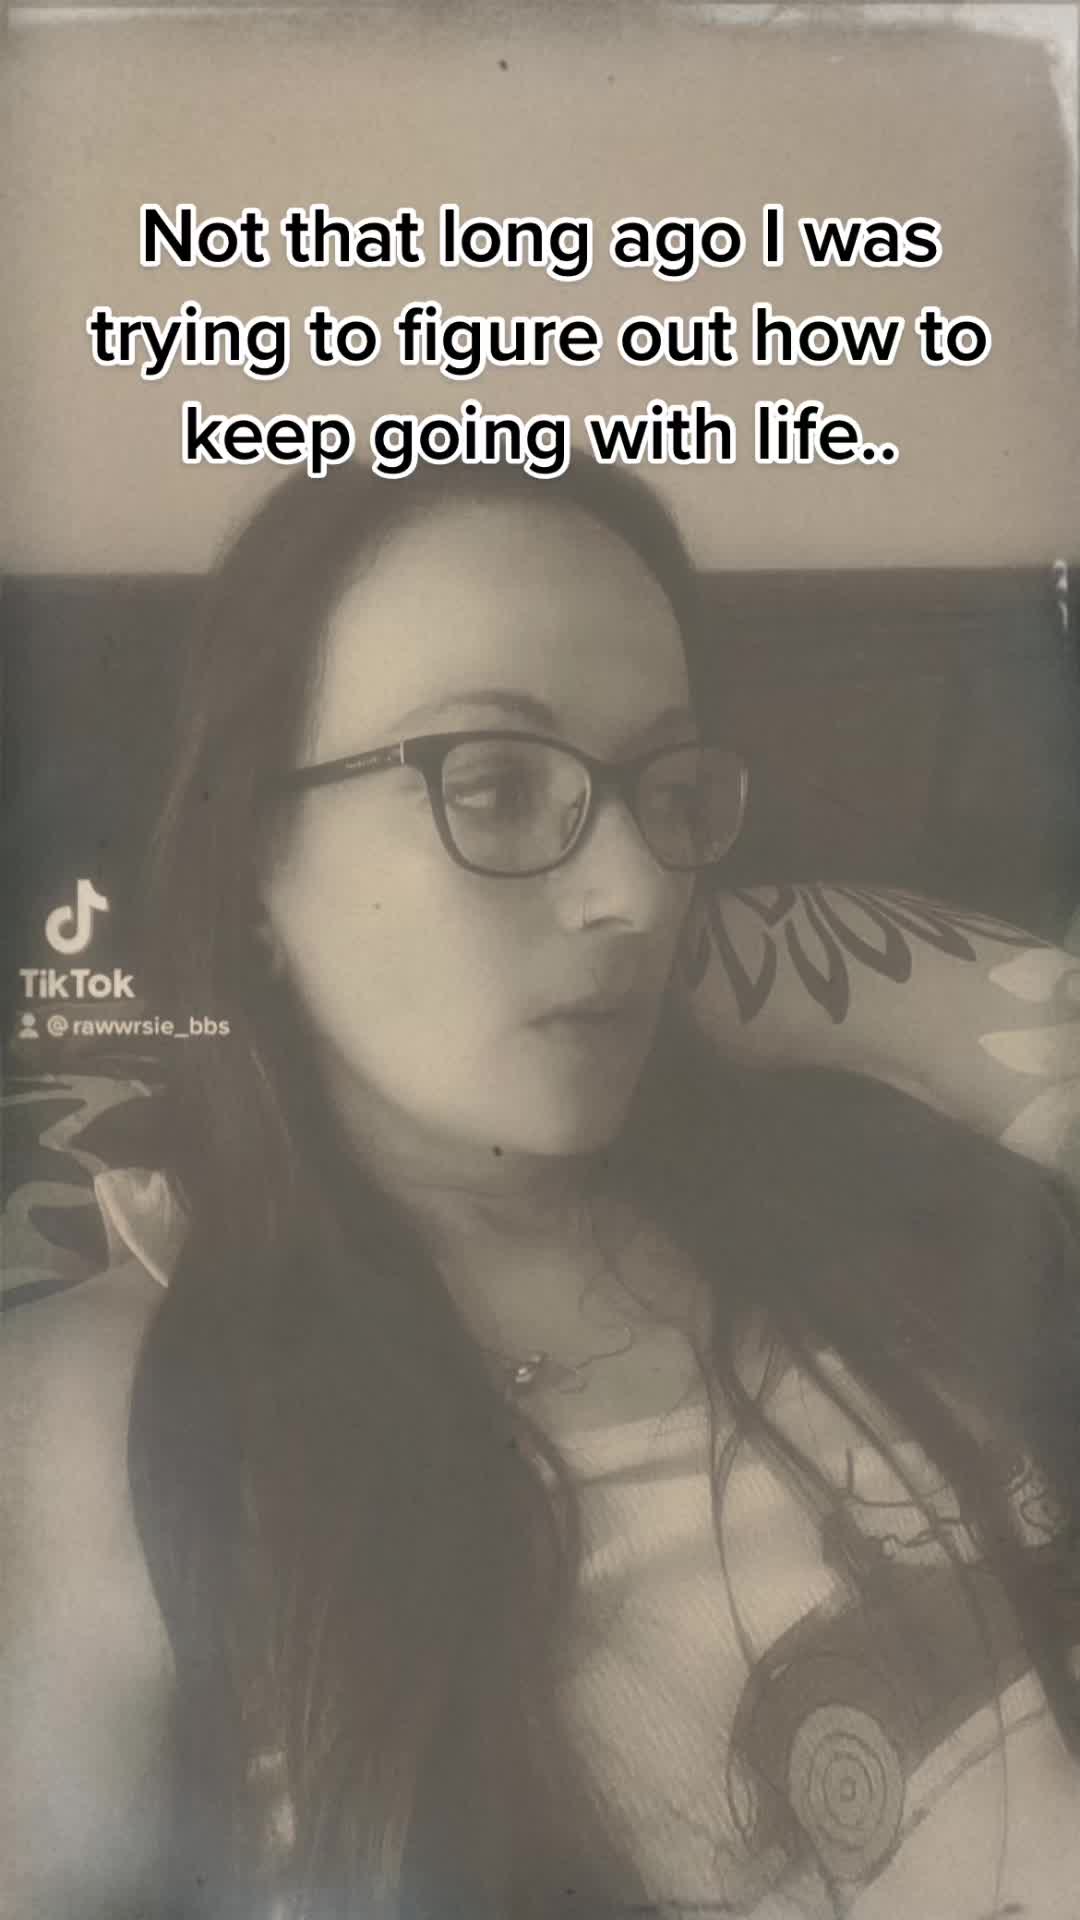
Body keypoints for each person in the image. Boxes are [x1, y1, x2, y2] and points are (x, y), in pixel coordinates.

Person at [7, 459, 1080, 1920]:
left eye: (670, 790)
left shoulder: (886, 1182)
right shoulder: (114, 1419)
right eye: (496, 786)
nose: (636, 893)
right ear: (256, 858)